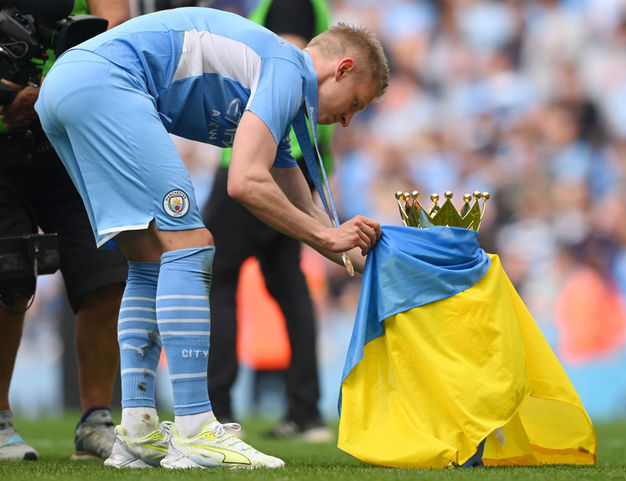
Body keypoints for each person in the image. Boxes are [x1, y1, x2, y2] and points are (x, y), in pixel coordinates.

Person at [35, 7, 388, 469]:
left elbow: (295, 192)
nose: (346, 121)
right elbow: (244, 181)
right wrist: (325, 235)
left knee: (147, 258)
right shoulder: (288, 67)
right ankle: (197, 427)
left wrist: (358, 254)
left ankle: (139, 429)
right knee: (193, 244)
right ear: (341, 70)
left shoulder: (274, 84)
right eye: (355, 103)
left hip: (64, 89)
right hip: (108, 83)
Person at [0, 0, 131, 462]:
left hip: (70, 136)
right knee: (8, 276)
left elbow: (118, 22)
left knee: (107, 274)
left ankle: (96, 421)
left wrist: (52, 91)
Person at [205, 0, 335, 441]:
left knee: (215, 279)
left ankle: (217, 412)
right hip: (294, 159)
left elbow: (289, 74)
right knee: (287, 284)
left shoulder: (289, 3)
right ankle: (305, 411)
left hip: (267, 159)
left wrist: (266, 158)